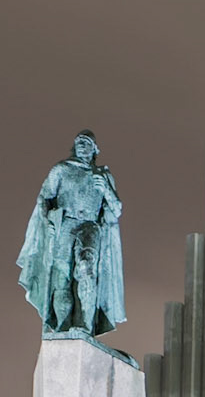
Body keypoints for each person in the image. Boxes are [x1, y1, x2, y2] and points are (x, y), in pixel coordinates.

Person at [17, 133, 125, 336]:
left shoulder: (102, 175)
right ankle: (62, 325)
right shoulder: (61, 170)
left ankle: (84, 324)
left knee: (86, 268)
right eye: (78, 143)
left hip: (89, 225)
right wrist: (47, 218)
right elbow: (44, 197)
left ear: (95, 149)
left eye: (87, 143)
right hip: (65, 223)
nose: (81, 146)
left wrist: (107, 190)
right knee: (61, 276)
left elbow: (117, 209)